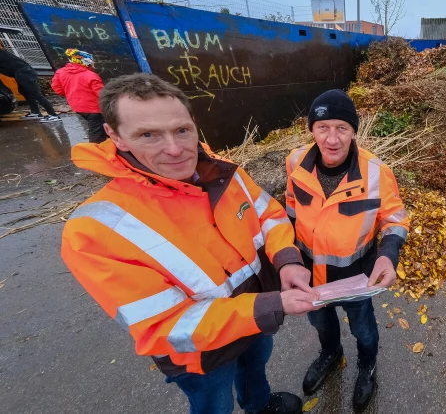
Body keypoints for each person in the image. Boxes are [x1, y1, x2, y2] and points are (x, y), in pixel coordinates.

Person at [60, 73, 319, 414]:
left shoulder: (227, 175)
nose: (174, 148)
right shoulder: (95, 229)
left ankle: (258, 405)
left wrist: (287, 260)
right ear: (114, 136)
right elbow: (162, 327)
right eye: (148, 135)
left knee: (256, 368)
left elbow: (268, 216)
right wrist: (270, 306)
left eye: (181, 130)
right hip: (203, 356)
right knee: (215, 404)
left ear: (194, 124)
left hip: (259, 318)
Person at [284, 89, 410, 411]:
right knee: (322, 325)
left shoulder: (375, 172)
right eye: (323, 127)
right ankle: (332, 353)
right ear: (311, 129)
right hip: (312, 277)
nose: (332, 138)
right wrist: (286, 256)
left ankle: (367, 365)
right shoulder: (295, 162)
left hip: (357, 277)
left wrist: (388, 253)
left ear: (354, 131)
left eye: (342, 128)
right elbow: (290, 209)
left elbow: (395, 218)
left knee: (364, 329)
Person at [52, 49, 107, 142]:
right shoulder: (91, 76)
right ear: (86, 62)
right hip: (94, 109)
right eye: (92, 61)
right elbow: (102, 94)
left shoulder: (60, 72)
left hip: (77, 107)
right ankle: (96, 151)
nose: (93, 63)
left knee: (98, 126)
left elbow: (57, 89)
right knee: (96, 132)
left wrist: (71, 94)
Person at [0, 48, 60, 122]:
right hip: (21, 72)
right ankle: (35, 112)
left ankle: (53, 115)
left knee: (35, 94)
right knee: (24, 92)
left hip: (24, 72)